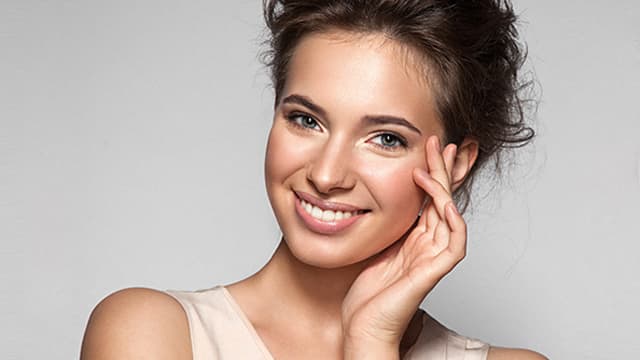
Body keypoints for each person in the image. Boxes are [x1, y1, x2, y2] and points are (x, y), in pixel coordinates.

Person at [81, 1, 546, 359]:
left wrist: (371, 341)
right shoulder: (150, 333)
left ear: (456, 163)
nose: (325, 175)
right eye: (306, 120)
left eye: (385, 138)